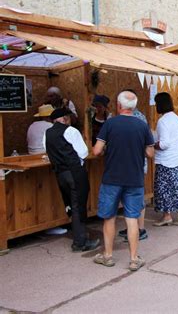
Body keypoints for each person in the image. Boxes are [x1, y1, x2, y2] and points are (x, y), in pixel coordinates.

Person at [92, 91, 154, 271]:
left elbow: (96, 151)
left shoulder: (110, 124)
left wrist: (107, 150)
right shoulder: (142, 126)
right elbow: (150, 153)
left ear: (119, 106)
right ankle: (134, 259)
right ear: (133, 107)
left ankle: (108, 256)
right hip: (134, 178)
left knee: (109, 217)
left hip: (112, 178)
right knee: (132, 218)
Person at [44, 108, 100, 252]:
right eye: (67, 117)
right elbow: (83, 152)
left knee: (71, 204)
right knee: (78, 206)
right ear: (64, 118)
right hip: (75, 172)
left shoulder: (47, 133)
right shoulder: (71, 131)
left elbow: (47, 151)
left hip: (60, 174)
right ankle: (80, 241)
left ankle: (80, 236)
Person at [117, 90, 150, 242]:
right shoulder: (140, 117)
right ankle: (135, 227)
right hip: (137, 162)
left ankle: (140, 228)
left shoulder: (136, 118)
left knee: (135, 197)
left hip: (134, 163)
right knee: (133, 197)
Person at [153, 92, 178, 227]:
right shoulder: (175, 117)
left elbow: (164, 144)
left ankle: (167, 216)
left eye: (156, 103)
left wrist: (153, 144)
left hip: (166, 161)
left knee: (163, 189)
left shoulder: (162, 121)